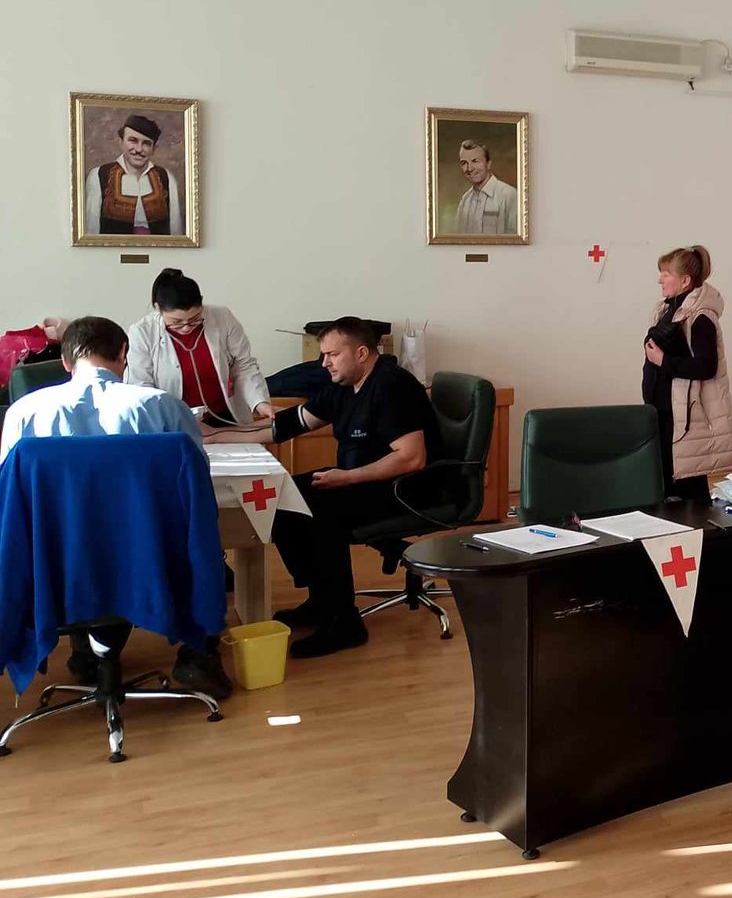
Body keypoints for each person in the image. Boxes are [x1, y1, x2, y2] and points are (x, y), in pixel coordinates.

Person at [0, 316, 230, 699]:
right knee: (198, 538)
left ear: (66, 362)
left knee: (66, 534)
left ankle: (85, 654)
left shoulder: (24, 412)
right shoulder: (163, 406)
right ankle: (199, 657)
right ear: (124, 353)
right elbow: (196, 488)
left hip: (59, 567)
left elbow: (11, 504)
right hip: (147, 559)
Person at [210, 317, 439, 659]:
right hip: (361, 480)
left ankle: (345, 622)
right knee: (283, 495)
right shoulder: (344, 385)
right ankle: (321, 601)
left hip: (405, 489)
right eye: (323, 355)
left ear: (361, 353)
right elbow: (284, 427)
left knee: (320, 510)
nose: (324, 363)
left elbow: (411, 458)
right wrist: (214, 436)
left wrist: (348, 477)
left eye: (332, 355)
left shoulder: (391, 386)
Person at [641, 246, 732, 501]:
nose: (660, 279)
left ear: (685, 281)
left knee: (688, 491)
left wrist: (662, 360)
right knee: (666, 488)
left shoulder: (700, 317)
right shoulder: (669, 310)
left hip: (684, 419)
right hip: (663, 412)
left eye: (666, 274)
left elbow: (706, 367)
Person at [126, 269, 273, 427]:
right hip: (173, 421)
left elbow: (243, 366)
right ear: (158, 308)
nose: (186, 327)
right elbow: (141, 386)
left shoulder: (223, 318)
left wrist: (260, 402)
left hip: (226, 415)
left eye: (194, 319)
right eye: (176, 322)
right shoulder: (142, 333)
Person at [82, 114, 183, 236]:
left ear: (154, 148)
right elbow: (91, 232)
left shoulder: (166, 178)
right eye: (133, 141)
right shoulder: (98, 176)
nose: (139, 149)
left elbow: (176, 232)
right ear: (121, 142)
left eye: (146, 143)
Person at [454, 139, 518, 235]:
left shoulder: (510, 195)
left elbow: (516, 240)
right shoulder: (465, 201)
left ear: (488, 164)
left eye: (475, 161)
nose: (469, 168)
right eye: (464, 163)